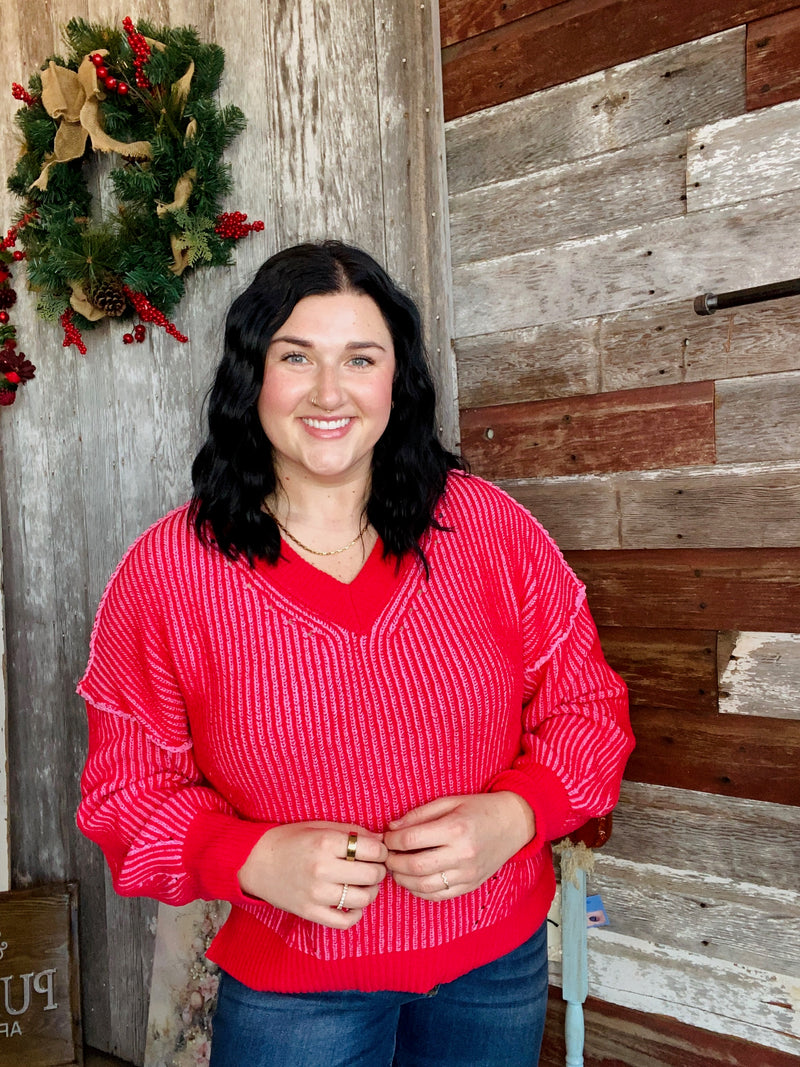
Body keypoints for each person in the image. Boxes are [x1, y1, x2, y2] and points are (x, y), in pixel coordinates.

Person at [77, 240, 634, 1067]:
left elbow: (587, 707)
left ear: (395, 379)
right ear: (250, 376)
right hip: (295, 993)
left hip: (495, 965)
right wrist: (250, 856)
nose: (329, 392)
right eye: (296, 356)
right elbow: (125, 791)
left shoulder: (489, 530)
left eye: (360, 358)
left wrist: (519, 812)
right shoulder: (167, 573)